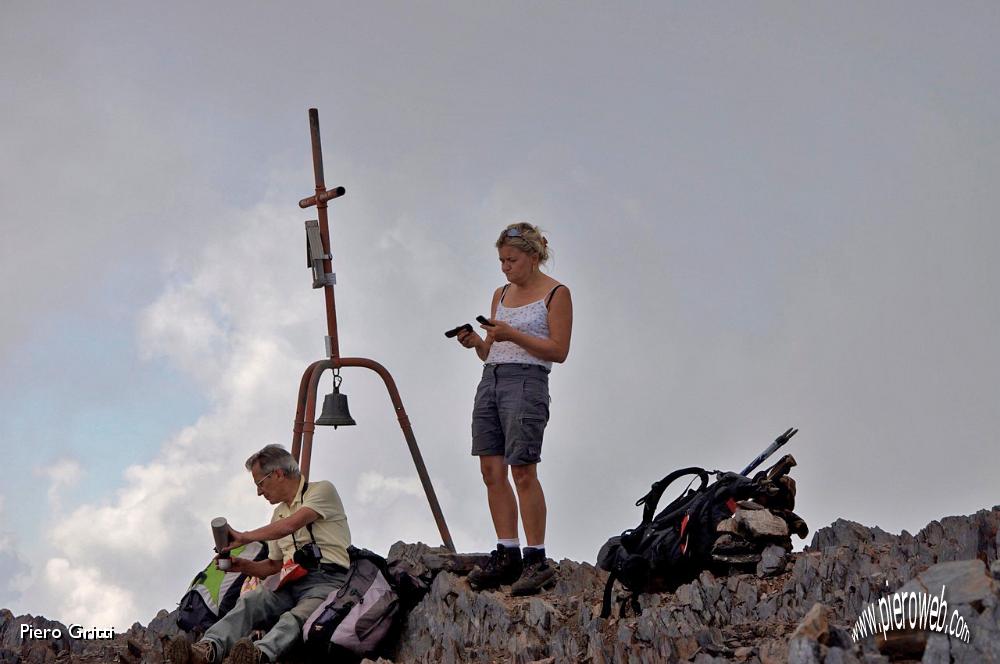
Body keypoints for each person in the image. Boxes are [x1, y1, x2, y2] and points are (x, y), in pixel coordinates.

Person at [455, 222, 573, 595]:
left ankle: (536, 558)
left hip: (527, 381)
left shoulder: (556, 293)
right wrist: (477, 342)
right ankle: (507, 552)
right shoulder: (501, 293)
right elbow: (493, 349)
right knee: (491, 468)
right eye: (502, 260)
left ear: (533, 257)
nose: (505, 267)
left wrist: (513, 334)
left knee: (522, 469)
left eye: (512, 260)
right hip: (492, 377)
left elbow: (559, 350)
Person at [168, 444, 351, 664]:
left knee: (294, 618)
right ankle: (206, 650)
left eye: (260, 483)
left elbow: (290, 526)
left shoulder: (322, 491)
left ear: (279, 474)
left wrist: (244, 537)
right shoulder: (278, 513)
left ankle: (258, 656)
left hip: (327, 580)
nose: (259, 492)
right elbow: (274, 565)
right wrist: (242, 565)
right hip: (289, 580)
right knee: (250, 603)